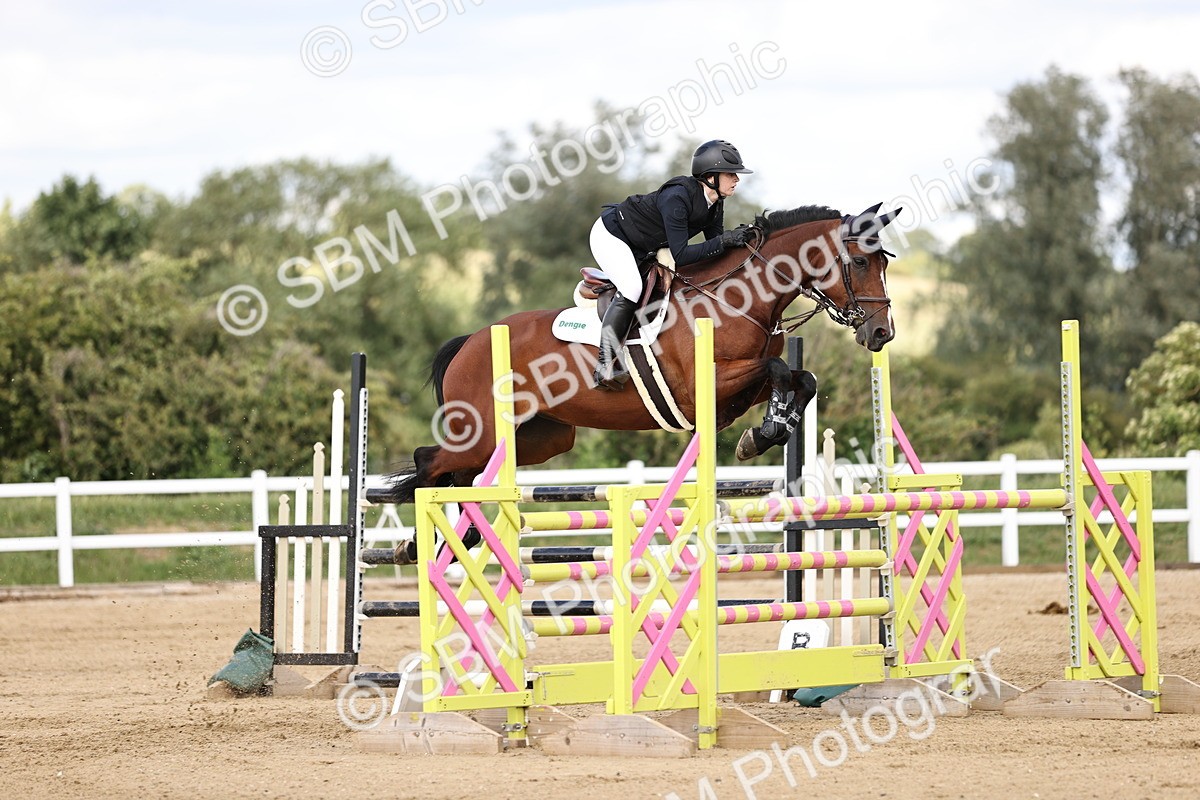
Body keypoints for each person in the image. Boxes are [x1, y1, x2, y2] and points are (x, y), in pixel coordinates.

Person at [588, 139, 753, 390]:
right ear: (710, 177)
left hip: (644, 245)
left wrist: (741, 243)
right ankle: (604, 364)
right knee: (632, 287)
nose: (737, 179)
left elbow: (714, 245)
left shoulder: (714, 202)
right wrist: (724, 241)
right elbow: (683, 254)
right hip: (612, 235)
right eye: (731, 174)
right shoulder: (677, 197)